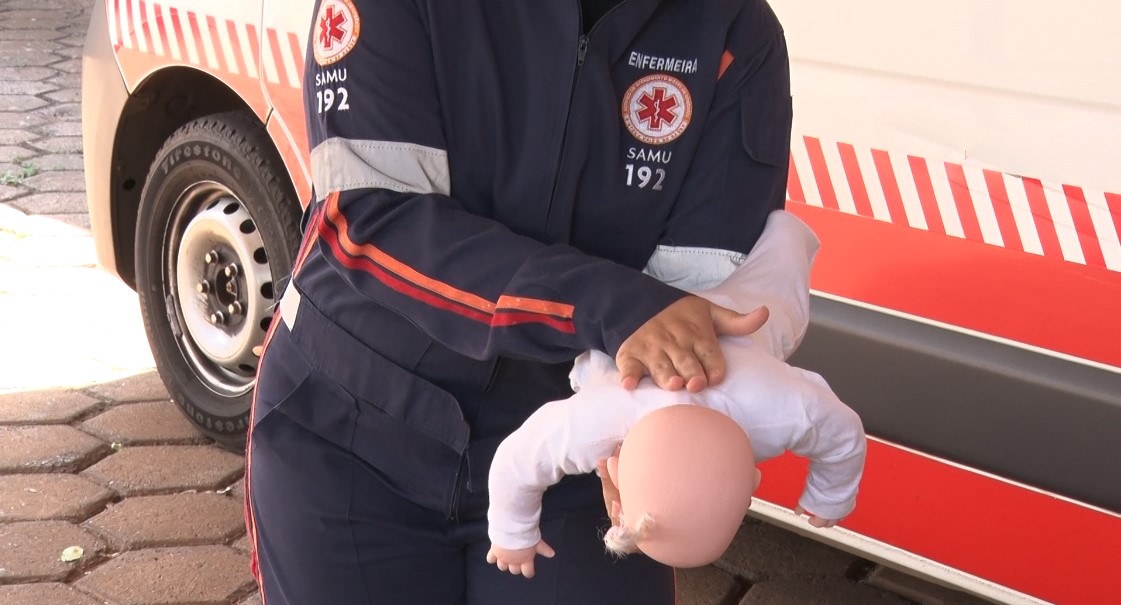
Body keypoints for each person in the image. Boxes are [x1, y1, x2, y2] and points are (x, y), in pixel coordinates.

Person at [245, 0, 795, 602]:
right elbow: (374, 219)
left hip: (567, 453)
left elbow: (695, 299)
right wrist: (608, 306)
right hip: (350, 424)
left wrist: (640, 414)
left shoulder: (735, 31)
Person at [486, 211, 867, 577]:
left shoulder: (783, 408)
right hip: (642, 305)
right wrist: (511, 535)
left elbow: (844, 433)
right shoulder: (597, 420)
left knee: (779, 296)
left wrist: (830, 496)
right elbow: (516, 461)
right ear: (614, 472)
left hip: (734, 312)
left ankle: (789, 233)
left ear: (751, 484)